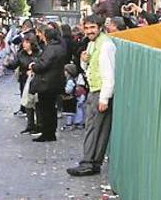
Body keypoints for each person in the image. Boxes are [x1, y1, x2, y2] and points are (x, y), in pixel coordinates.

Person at [67, 15, 115, 176]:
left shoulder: (106, 45)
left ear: (100, 27)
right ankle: (94, 163)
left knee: (93, 128)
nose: (89, 31)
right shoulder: (92, 44)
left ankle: (88, 162)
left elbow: (109, 73)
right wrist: (83, 60)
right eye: (87, 28)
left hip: (100, 91)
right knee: (99, 130)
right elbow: (88, 67)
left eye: (92, 27)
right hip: (95, 89)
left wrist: (104, 98)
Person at [29, 26, 68, 142]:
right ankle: (50, 132)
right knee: (51, 109)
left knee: (46, 109)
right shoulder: (59, 47)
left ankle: (47, 133)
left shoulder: (51, 48)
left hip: (46, 83)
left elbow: (43, 64)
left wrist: (33, 66)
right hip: (55, 82)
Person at [61, 63, 87, 130]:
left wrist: (63, 90)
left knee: (70, 111)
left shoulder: (70, 81)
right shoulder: (73, 80)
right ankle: (75, 122)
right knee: (73, 111)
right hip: (71, 98)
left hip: (70, 98)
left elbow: (68, 90)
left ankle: (70, 123)